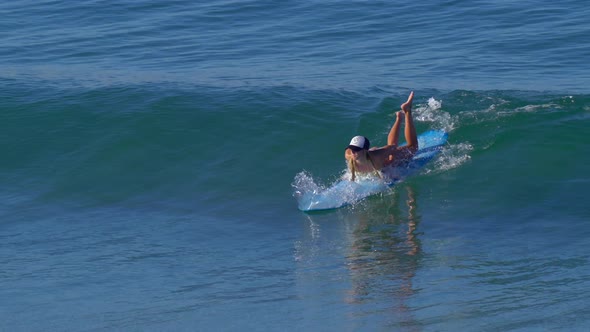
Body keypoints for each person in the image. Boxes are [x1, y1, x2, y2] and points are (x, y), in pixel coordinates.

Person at [345, 91, 418, 181]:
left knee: (413, 147)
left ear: (364, 150)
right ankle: (399, 117)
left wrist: (391, 167)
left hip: (382, 156)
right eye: (352, 149)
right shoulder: (349, 155)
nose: (353, 152)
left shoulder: (378, 157)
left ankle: (407, 112)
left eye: (356, 149)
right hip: (373, 154)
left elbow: (393, 147)